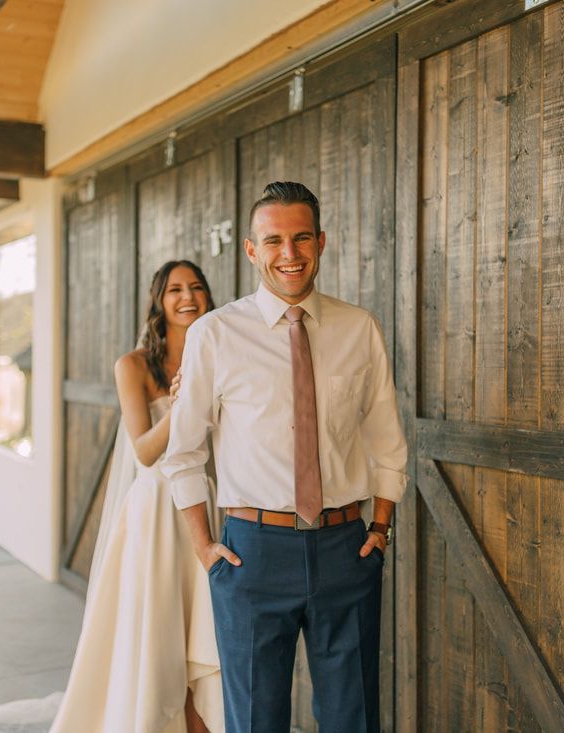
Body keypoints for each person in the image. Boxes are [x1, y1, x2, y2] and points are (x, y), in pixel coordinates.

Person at [163, 182, 408, 732]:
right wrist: (204, 546)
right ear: (252, 250)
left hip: (348, 548)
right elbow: (182, 453)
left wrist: (382, 528)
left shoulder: (359, 329)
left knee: (354, 718)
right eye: (273, 240)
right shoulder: (215, 335)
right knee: (256, 720)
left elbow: (387, 438)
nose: (289, 254)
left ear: (321, 241)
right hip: (252, 554)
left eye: (301, 238)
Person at [51, 260, 224, 733]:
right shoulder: (133, 365)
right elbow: (145, 451)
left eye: (196, 287)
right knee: (160, 631)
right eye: (175, 289)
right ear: (158, 301)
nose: (187, 296)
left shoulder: (219, 353)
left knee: (202, 635)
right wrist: (183, 401)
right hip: (156, 512)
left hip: (203, 505)